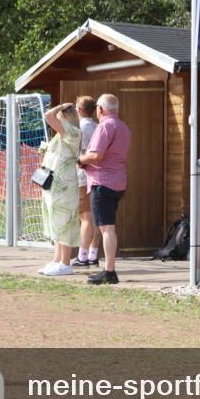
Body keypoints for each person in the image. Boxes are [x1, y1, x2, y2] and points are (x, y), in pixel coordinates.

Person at [78, 93, 131, 285]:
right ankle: (108, 269)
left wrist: (80, 159)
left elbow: (96, 156)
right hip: (118, 182)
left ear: (100, 109)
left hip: (103, 182)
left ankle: (109, 271)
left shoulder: (105, 126)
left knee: (107, 228)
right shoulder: (123, 127)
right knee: (108, 227)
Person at [38, 103, 82, 276]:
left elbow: (48, 115)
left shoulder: (72, 131)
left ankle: (65, 263)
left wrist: (62, 106)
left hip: (63, 185)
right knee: (55, 222)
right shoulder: (62, 134)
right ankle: (57, 260)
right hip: (54, 184)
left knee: (64, 222)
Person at [72, 96, 102, 268]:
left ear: (80, 110)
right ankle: (93, 253)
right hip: (97, 175)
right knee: (95, 217)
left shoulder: (79, 128)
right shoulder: (98, 127)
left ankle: (82, 255)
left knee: (85, 216)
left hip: (82, 174)